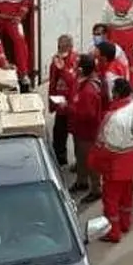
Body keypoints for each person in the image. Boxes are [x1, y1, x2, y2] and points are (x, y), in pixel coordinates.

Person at [91, 78, 133, 243]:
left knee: (111, 198)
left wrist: (96, 159)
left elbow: (110, 147)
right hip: (132, 156)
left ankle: (113, 231)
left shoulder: (115, 117)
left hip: (116, 162)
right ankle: (125, 222)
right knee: (127, 193)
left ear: (115, 94)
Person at [69, 54, 105, 203]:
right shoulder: (85, 82)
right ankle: (81, 181)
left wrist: (71, 108)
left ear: (82, 69)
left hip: (87, 133)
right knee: (80, 157)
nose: (75, 69)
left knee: (90, 161)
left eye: (77, 66)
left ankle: (96, 189)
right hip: (80, 131)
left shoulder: (89, 90)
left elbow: (88, 114)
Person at [48, 34, 79, 168]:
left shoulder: (76, 60)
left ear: (70, 46)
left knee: (77, 135)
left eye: (64, 46)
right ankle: (60, 160)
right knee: (59, 134)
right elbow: (52, 83)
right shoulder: (56, 60)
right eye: (59, 46)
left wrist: (63, 69)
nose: (61, 48)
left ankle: (79, 164)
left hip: (73, 104)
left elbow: (74, 81)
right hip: (60, 104)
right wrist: (52, 104)